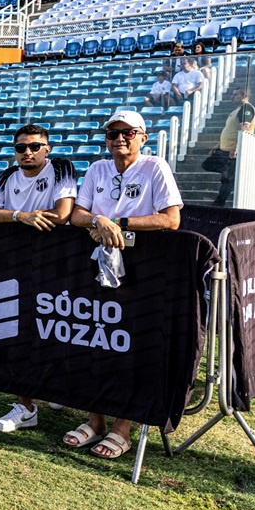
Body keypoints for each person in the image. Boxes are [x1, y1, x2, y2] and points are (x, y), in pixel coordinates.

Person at [66, 110, 183, 459]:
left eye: (128, 132)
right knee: (94, 340)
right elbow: (77, 214)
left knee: (130, 348)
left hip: (143, 270)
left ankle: (123, 426)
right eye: (113, 133)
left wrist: (120, 221)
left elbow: (171, 219)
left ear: (142, 136)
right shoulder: (98, 168)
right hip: (97, 267)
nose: (120, 138)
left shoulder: (155, 167)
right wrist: (100, 220)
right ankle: (95, 418)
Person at [0, 126, 77, 429]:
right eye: (20, 147)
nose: (27, 152)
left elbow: (63, 214)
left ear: (47, 149)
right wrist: (20, 216)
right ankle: (25, 406)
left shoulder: (62, 169)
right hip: (13, 264)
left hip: (55, 265)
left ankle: (53, 385)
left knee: (54, 328)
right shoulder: (7, 176)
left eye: (34, 146)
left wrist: (20, 216)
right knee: (18, 331)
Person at [209, 88, 255, 207]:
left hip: (232, 150)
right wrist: (218, 145)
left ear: (244, 96)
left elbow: (243, 129)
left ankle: (218, 204)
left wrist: (236, 147)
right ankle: (232, 174)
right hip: (224, 148)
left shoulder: (246, 108)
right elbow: (229, 130)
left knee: (227, 179)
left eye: (235, 95)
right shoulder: (236, 110)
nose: (232, 96)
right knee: (207, 164)